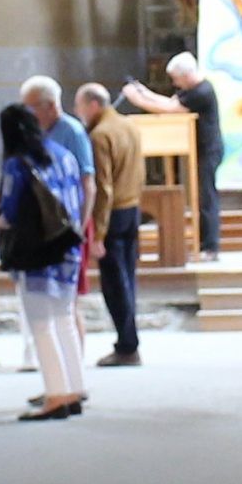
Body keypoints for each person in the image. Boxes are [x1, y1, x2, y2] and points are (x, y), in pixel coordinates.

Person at [0, 100, 88, 421]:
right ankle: (75, 388)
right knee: (64, 320)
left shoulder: (17, 163)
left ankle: (56, 394)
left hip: (36, 253)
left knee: (41, 325)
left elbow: (9, 211)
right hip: (68, 247)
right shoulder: (65, 155)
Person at [120, 51, 225, 259]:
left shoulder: (201, 91)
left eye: (176, 78)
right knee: (200, 195)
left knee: (206, 197)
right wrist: (144, 91)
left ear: (186, 75)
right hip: (200, 149)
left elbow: (170, 109)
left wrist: (137, 99)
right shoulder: (191, 89)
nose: (175, 83)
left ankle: (210, 246)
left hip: (208, 150)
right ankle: (204, 244)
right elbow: (168, 101)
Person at [73, 81, 146, 367]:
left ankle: (127, 346)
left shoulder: (100, 135)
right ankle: (129, 340)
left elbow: (103, 188)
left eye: (79, 106)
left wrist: (98, 233)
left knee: (115, 284)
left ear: (93, 105)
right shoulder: (129, 126)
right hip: (132, 208)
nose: (78, 112)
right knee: (128, 279)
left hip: (112, 215)